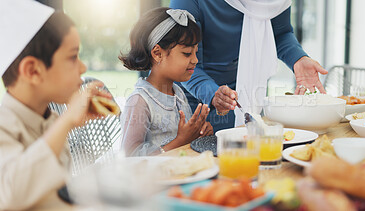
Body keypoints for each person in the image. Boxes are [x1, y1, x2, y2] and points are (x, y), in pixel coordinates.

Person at [0, 0, 111, 209]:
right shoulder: (4, 126)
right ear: (33, 71)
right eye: (72, 57)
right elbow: (11, 192)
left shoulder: (50, 119)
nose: (83, 66)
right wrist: (67, 120)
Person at [170, 0, 329, 131]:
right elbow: (181, 60)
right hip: (192, 99)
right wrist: (213, 94)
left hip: (241, 95)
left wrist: (298, 58)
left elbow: (280, 33)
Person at [119, 7, 213, 156]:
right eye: (187, 53)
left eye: (195, 52)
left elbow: (185, 141)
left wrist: (198, 134)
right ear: (157, 53)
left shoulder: (178, 93)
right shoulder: (140, 102)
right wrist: (180, 141)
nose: (195, 60)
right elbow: (130, 159)